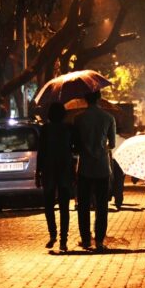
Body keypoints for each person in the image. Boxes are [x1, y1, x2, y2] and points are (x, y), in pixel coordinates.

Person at [73, 90, 116, 251]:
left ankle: (85, 240)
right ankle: (99, 240)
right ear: (99, 98)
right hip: (102, 167)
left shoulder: (78, 119)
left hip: (84, 167)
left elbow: (75, 145)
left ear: (85, 99)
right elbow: (112, 143)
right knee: (101, 206)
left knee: (83, 206)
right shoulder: (108, 118)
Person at [35, 102, 78, 252]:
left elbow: (41, 152)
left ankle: (52, 234)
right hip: (65, 169)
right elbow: (75, 148)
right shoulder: (69, 128)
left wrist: (38, 172)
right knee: (64, 207)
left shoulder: (45, 129)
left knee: (48, 204)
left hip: (48, 170)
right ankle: (63, 240)